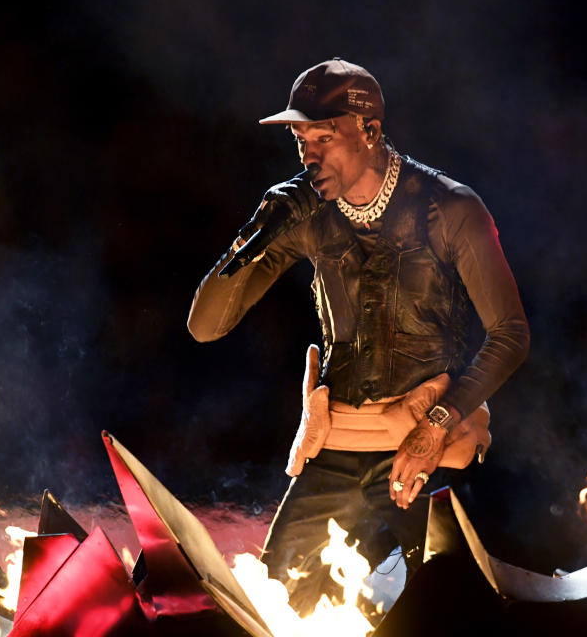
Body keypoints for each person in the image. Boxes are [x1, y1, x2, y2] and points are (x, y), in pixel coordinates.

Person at [188, 58, 529, 616]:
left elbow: (511, 335)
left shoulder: (450, 208)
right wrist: (257, 230)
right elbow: (205, 327)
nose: (309, 155)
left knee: (448, 612)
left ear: (369, 132)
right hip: (337, 445)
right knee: (271, 610)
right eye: (301, 140)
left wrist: (438, 427)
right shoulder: (300, 211)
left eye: (323, 137)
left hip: (432, 443)